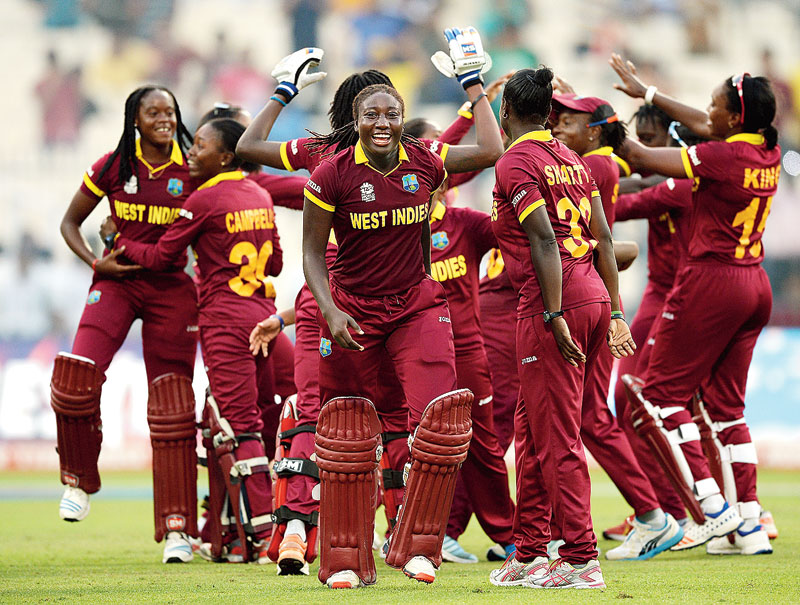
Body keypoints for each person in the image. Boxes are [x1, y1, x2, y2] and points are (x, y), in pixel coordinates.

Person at [301, 27, 503, 588]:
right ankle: (344, 561)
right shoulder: (331, 173)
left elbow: (491, 150)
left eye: (393, 113)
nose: (384, 123)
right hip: (351, 312)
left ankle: (420, 550)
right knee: (344, 430)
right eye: (373, 115)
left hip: (416, 306)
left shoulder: (426, 159)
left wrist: (473, 84)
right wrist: (331, 312)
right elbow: (312, 257)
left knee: (439, 423)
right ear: (357, 121)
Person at [610, 53, 780, 555]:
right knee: (728, 411)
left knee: (657, 397)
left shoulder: (720, 158)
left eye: (714, 105)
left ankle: (710, 507)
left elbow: (641, 160)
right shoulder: (763, 150)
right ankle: (748, 524)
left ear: (733, 120)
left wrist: (602, 124)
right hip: (755, 283)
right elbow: (704, 124)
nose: (707, 112)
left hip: (712, 282)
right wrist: (647, 93)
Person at [108, 118, 282, 563]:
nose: (191, 151)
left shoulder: (204, 199)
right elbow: (277, 263)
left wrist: (122, 243)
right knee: (241, 424)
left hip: (225, 321)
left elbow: (165, 256)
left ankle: (265, 535)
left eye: (200, 144)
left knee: (236, 426)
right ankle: (230, 535)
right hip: (262, 314)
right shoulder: (259, 194)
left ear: (225, 156)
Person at [487, 67, 635, 589]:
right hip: (592, 293)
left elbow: (545, 241)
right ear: (549, 113)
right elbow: (604, 239)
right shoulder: (574, 159)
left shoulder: (514, 162)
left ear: (505, 114)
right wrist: (615, 311)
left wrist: (552, 314)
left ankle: (579, 558)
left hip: (553, 303)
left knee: (556, 440)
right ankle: (529, 551)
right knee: (530, 433)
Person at [50, 85, 200, 564]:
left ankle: (178, 528)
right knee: (75, 376)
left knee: (174, 405)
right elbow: (70, 223)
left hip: (173, 287)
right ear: (134, 120)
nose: (163, 118)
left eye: (169, 111)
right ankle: (78, 480)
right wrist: (98, 261)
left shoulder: (194, 166)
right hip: (115, 280)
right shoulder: (113, 165)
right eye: (152, 112)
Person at [550, 93, 683, 561]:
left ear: (597, 131)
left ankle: (653, 515)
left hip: (590, 298)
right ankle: (553, 525)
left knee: (591, 416)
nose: (558, 129)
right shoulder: (598, 165)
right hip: (592, 293)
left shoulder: (598, 166)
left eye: (568, 121)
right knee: (573, 416)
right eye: (555, 119)